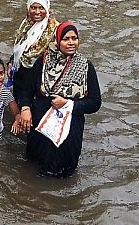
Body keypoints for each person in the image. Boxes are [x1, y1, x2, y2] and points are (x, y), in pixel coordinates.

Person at [13, 22, 102, 177]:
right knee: (32, 165)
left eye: (75, 38)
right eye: (66, 39)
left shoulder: (85, 66)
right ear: (57, 40)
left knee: (62, 169)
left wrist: (68, 104)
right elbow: (26, 89)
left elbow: (95, 102)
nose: (71, 43)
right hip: (40, 123)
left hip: (69, 125)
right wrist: (25, 108)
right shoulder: (43, 62)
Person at [8, 0, 59, 133]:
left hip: (38, 85)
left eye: (41, 8)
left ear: (47, 8)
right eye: (33, 7)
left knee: (33, 124)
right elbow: (20, 48)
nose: (37, 12)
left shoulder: (54, 32)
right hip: (20, 77)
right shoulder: (26, 24)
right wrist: (11, 63)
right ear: (28, 7)